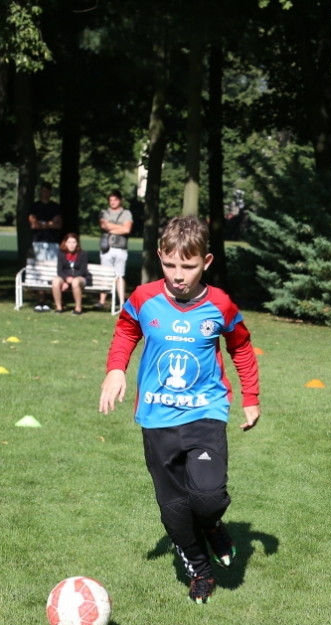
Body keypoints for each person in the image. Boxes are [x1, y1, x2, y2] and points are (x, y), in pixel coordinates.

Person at [98, 216, 260, 604]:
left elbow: (241, 346)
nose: (177, 275)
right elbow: (126, 331)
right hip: (156, 417)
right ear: (160, 257)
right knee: (173, 511)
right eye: (170, 264)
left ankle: (212, 524)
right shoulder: (144, 298)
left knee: (208, 498)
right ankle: (200, 571)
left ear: (206, 261)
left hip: (205, 412)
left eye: (187, 266)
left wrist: (251, 397)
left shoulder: (220, 304)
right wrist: (116, 369)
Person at [28, 183, 62, 311]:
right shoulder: (34, 207)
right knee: (41, 269)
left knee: (53, 270)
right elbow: (33, 225)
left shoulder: (55, 207)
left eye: (47, 191)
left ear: (50, 192)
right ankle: (41, 299)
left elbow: (58, 225)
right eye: (43, 191)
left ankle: (55, 299)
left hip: (53, 242)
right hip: (38, 241)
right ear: (40, 192)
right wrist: (49, 224)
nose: (45, 193)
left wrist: (42, 223)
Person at [97, 190, 133, 310]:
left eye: (115, 200)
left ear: (120, 200)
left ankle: (122, 302)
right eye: (111, 200)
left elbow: (127, 229)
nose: (113, 202)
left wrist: (110, 229)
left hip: (120, 248)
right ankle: (102, 301)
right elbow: (103, 225)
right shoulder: (104, 212)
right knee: (105, 274)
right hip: (106, 247)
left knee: (120, 275)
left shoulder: (126, 213)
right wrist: (120, 227)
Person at [53, 232, 90, 315]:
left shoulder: (83, 254)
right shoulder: (61, 254)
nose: (71, 245)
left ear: (77, 243)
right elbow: (60, 271)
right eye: (69, 242)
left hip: (80, 278)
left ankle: (78, 308)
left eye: (74, 242)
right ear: (65, 243)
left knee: (75, 282)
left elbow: (83, 271)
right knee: (55, 281)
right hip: (66, 277)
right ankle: (58, 307)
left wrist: (71, 279)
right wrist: (66, 279)